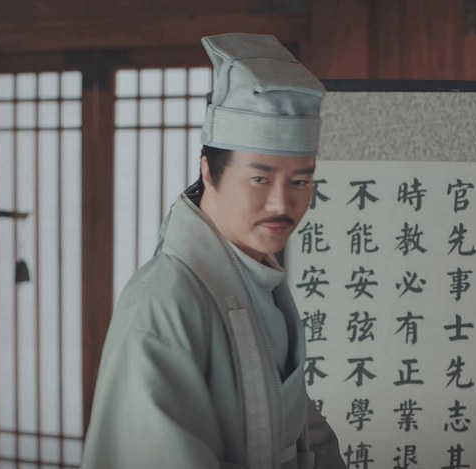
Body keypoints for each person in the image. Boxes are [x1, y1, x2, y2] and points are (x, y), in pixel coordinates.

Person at [82, 32, 346, 469]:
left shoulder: (259, 281)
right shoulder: (163, 302)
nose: (281, 204)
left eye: (300, 181)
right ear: (209, 170)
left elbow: (300, 428)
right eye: (260, 179)